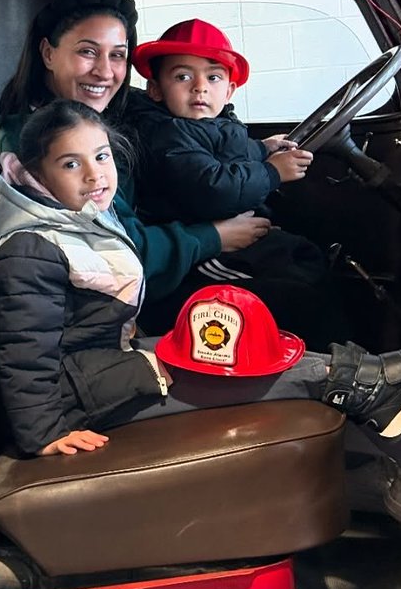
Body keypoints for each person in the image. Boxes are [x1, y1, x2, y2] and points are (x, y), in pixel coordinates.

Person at [0, 100, 401, 469]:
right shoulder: (32, 246)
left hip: (102, 363)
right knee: (229, 365)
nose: (95, 175)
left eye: (102, 156)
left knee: (224, 346)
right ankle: (360, 383)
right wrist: (45, 433)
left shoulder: (75, 212)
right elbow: (24, 351)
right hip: (77, 392)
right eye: (71, 164)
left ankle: (365, 380)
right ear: (39, 174)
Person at [0, 0, 270, 304]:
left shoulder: (116, 110)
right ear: (48, 53)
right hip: (125, 292)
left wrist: (261, 149)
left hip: (162, 255)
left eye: (117, 55)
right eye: (87, 52)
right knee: (290, 295)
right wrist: (214, 236)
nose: (104, 72)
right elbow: (114, 247)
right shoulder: (35, 144)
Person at [127, 18, 348, 347]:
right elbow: (213, 188)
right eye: (182, 76)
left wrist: (263, 148)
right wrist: (272, 172)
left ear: (229, 89)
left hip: (238, 230)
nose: (199, 87)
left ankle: (327, 347)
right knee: (296, 298)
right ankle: (324, 362)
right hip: (201, 256)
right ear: (156, 89)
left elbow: (234, 149)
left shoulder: (220, 122)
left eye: (213, 77)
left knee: (309, 258)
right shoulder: (165, 134)